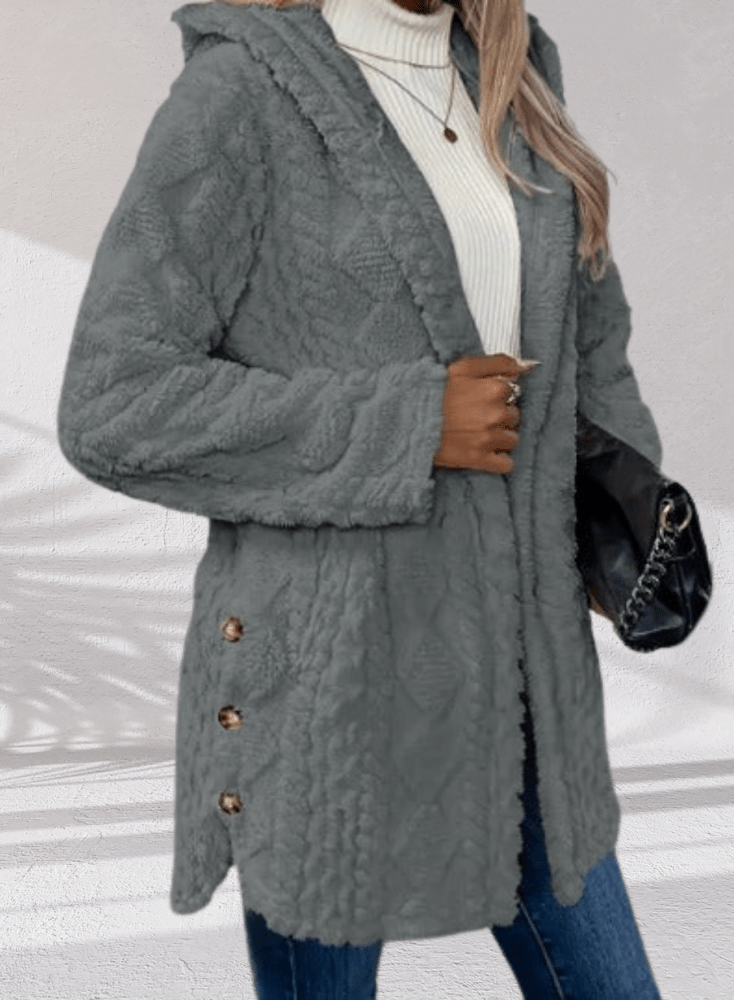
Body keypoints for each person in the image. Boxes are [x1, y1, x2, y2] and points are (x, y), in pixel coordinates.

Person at [56, 0, 665, 995]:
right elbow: (112, 402)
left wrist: (625, 514)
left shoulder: (514, 80)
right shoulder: (241, 96)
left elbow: (591, 349)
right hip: (326, 696)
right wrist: (411, 423)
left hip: (524, 684)